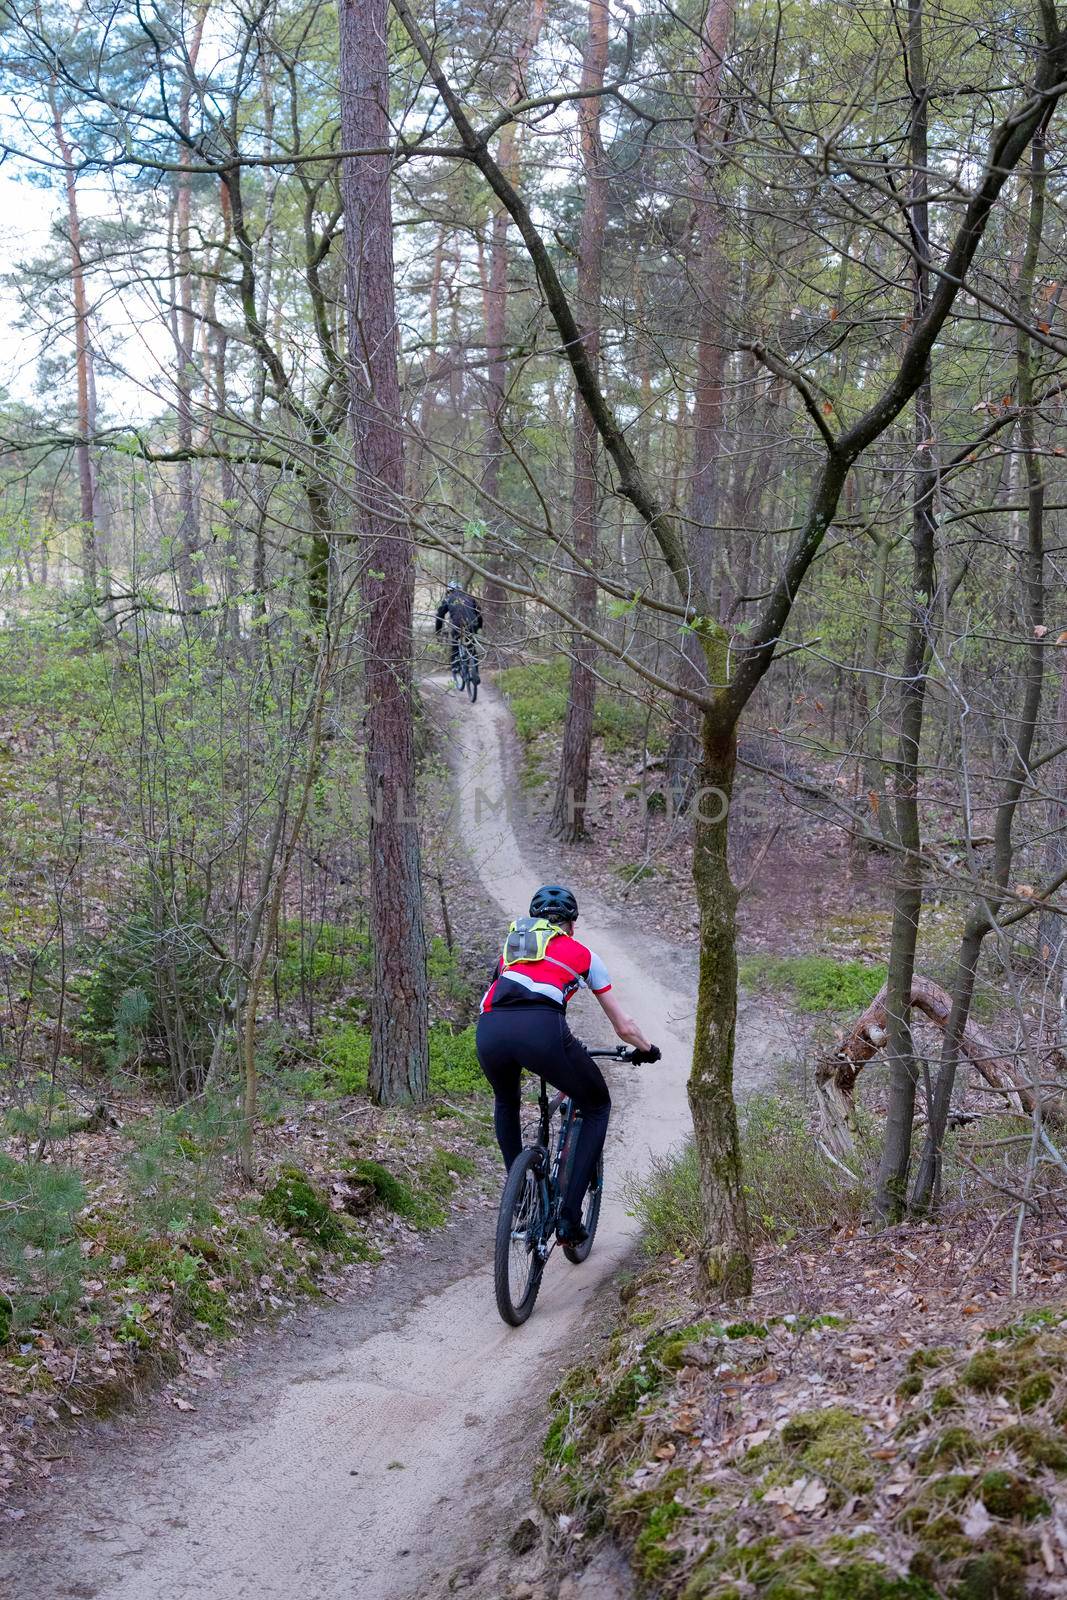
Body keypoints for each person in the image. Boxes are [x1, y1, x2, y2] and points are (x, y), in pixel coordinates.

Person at [476, 884, 660, 1245]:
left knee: (505, 1101)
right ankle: (569, 1218)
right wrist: (647, 1048)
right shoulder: (583, 954)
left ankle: (521, 1196)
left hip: (490, 1031)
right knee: (597, 1105)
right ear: (571, 925)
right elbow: (623, 1026)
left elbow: (501, 994)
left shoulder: (509, 952)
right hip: (542, 1032)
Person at [435, 580, 483, 676]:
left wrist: (438, 631)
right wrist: (478, 627)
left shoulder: (448, 599)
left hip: (457, 625)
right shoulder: (470, 598)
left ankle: (455, 666)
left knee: (455, 646)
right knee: (471, 647)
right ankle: (476, 672)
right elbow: (479, 614)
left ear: (449, 591)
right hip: (471, 625)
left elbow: (439, 616)